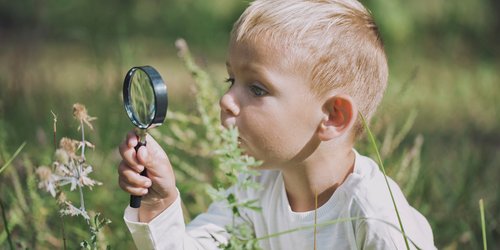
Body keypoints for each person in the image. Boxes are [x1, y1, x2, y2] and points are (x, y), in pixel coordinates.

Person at [118, 0, 436, 249]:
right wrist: (159, 201)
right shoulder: (254, 190)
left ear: (333, 117)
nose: (225, 100)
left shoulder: (375, 214)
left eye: (257, 88)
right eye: (232, 80)